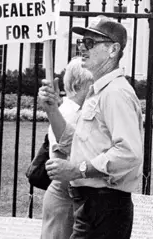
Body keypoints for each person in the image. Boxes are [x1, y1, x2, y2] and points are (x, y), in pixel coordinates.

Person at [38, 15, 143, 239]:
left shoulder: (116, 93)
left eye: (90, 43)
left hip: (104, 205)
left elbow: (128, 153)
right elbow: (77, 143)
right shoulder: (101, 90)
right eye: (81, 43)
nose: (82, 49)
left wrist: (78, 170)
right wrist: (52, 110)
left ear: (113, 49)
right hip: (92, 204)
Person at [41, 57, 94, 239]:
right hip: (64, 196)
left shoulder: (75, 109)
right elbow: (60, 158)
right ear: (84, 83)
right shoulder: (69, 112)